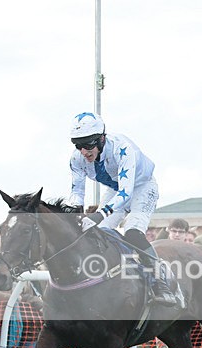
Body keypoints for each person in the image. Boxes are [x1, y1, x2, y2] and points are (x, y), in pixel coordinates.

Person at [68, 111, 176, 307]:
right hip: (115, 188)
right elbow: (77, 193)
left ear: (102, 138)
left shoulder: (122, 148)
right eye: (78, 145)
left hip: (141, 187)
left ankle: (160, 281)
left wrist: (98, 215)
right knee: (95, 232)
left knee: (133, 233)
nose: (84, 151)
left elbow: (126, 193)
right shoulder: (76, 160)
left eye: (88, 144)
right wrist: (74, 216)